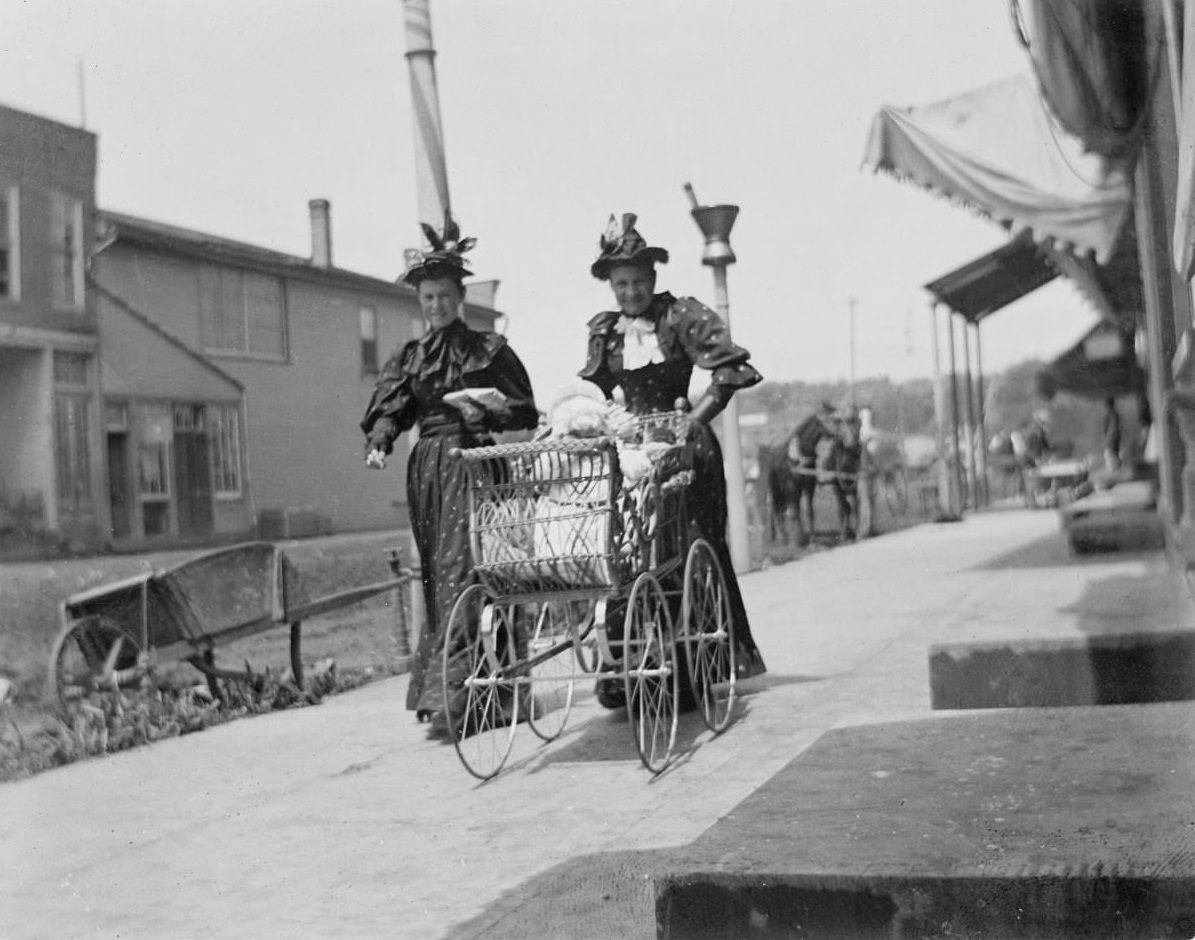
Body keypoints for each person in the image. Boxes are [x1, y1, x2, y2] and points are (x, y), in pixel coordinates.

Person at [578, 212, 767, 706]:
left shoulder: (679, 316)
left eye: (639, 282)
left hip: (684, 448)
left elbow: (729, 372)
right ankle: (624, 667)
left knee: (686, 549)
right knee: (626, 552)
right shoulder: (605, 332)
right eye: (622, 284)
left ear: (654, 278)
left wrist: (695, 420)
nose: (631, 293)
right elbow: (593, 393)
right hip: (633, 452)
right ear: (611, 285)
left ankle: (689, 668)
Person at [361, 213, 538, 727]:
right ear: (421, 303)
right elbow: (393, 408)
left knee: (475, 568)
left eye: (444, 296)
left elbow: (524, 408)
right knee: (442, 574)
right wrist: (380, 440)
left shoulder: (487, 349)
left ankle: (473, 690)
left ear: (459, 297)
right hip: (431, 472)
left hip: (478, 464)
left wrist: (485, 411)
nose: (436, 307)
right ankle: (445, 686)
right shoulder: (412, 356)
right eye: (427, 299)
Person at [1102, 394, 1122, 472]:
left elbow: (1109, 429)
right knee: (1114, 454)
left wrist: (1109, 437)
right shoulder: (1114, 414)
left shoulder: (1110, 415)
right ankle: (1116, 468)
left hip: (1112, 439)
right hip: (1114, 438)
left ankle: (1115, 469)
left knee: (1113, 454)